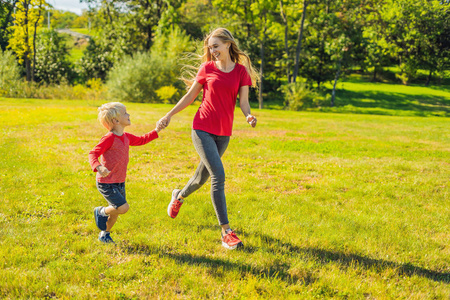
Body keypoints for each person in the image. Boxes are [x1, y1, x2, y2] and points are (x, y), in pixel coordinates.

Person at [157, 28, 259, 250]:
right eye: (210, 47)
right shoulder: (207, 69)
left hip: (224, 134)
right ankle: (226, 232)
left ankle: (179, 196)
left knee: (201, 177)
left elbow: (243, 102)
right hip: (202, 128)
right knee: (218, 175)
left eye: (216, 46)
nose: (212, 51)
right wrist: (169, 115)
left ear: (228, 45)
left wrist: (248, 115)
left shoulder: (241, 72)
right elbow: (190, 96)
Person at [89, 102, 160, 244]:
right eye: (125, 113)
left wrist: (157, 130)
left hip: (119, 181)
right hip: (107, 183)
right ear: (115, 121)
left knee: (115, 212)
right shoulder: (109, 138)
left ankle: (105, 234)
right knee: (122, 208)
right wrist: (98, 167)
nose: (128, 115)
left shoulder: (126, 137)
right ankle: (101, 211)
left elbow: (142, 140)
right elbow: (93, 153)